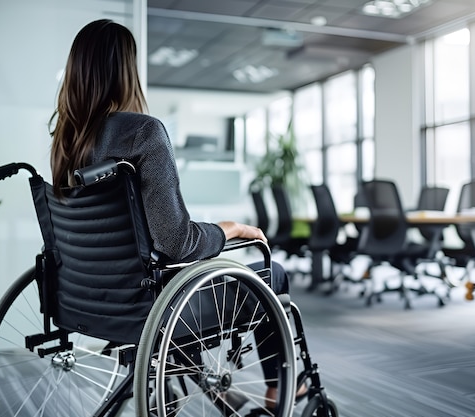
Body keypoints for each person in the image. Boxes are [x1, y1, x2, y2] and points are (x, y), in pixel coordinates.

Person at [49, 19, 306, 413]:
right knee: (273, 276)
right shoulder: (143, 132)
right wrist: (229, 228)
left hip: (89, 303)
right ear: (125, 72)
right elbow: (176, 241)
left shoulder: (67, 145)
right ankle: (278, 390)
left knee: (187, 275)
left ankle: (183, 378)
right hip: (152, 309)